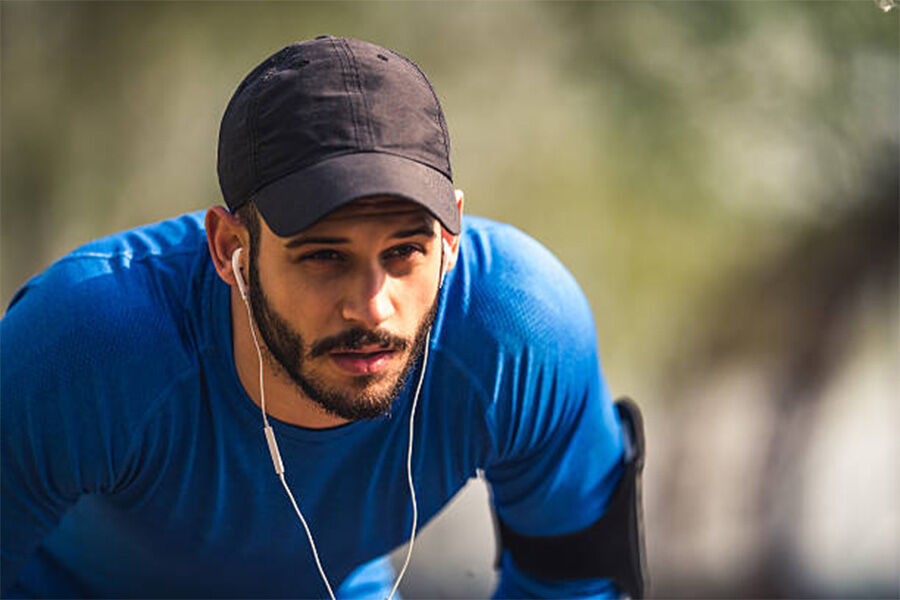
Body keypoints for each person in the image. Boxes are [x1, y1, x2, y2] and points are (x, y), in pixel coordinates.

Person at [1, 37, 645, 599]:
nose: (372, 306)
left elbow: (576, 584)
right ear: (232, 250)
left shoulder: (517, 328)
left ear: (450, 240)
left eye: (404, 252)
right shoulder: (86, 343)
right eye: (324, 257)